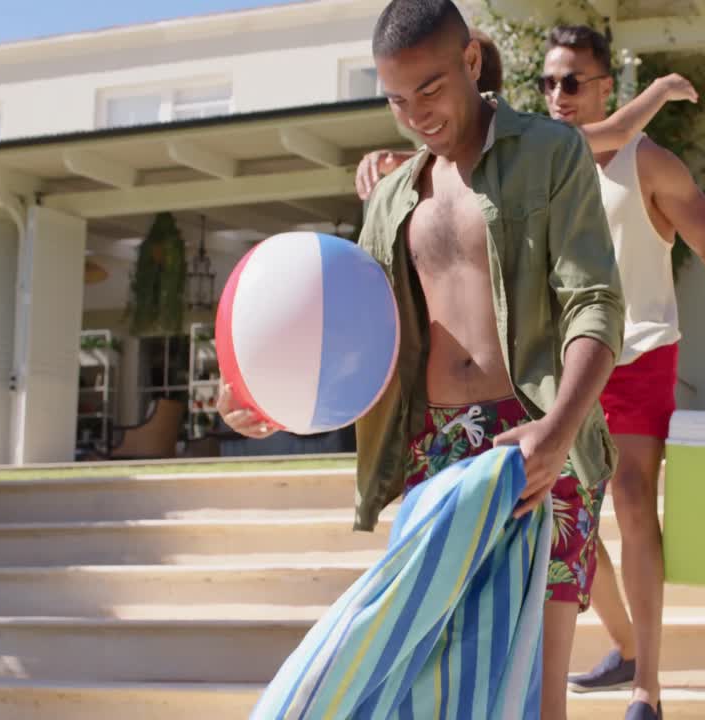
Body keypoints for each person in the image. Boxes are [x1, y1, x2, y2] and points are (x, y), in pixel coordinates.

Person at [219, 1, 625, 718]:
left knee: (537, 696)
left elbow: (595, 302)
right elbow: (358, 337)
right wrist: (267, 397)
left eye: (430, 90)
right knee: (427, 693)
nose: (415, 114)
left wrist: (559, 431)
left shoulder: (550, 154)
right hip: (432, 452)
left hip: (536, 442)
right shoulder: (391, 200)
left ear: (471, 62)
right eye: (397, 100)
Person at [539, 25, 705, 720]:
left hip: (642, 352)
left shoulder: (650, 165)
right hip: (569, 366)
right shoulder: (549, 164)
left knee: (633, 501)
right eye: (547, 82)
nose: (557, 95)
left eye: (572, 81)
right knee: (564, 517)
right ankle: (626, 645)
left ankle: (648, 690)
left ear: (608, 86)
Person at [355, 36, 699, 201]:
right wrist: (393, 160)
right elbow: (443, 160)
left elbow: (619, 131)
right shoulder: (520, 141)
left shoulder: (529, 140)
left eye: (431, 88)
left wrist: (662, 87)